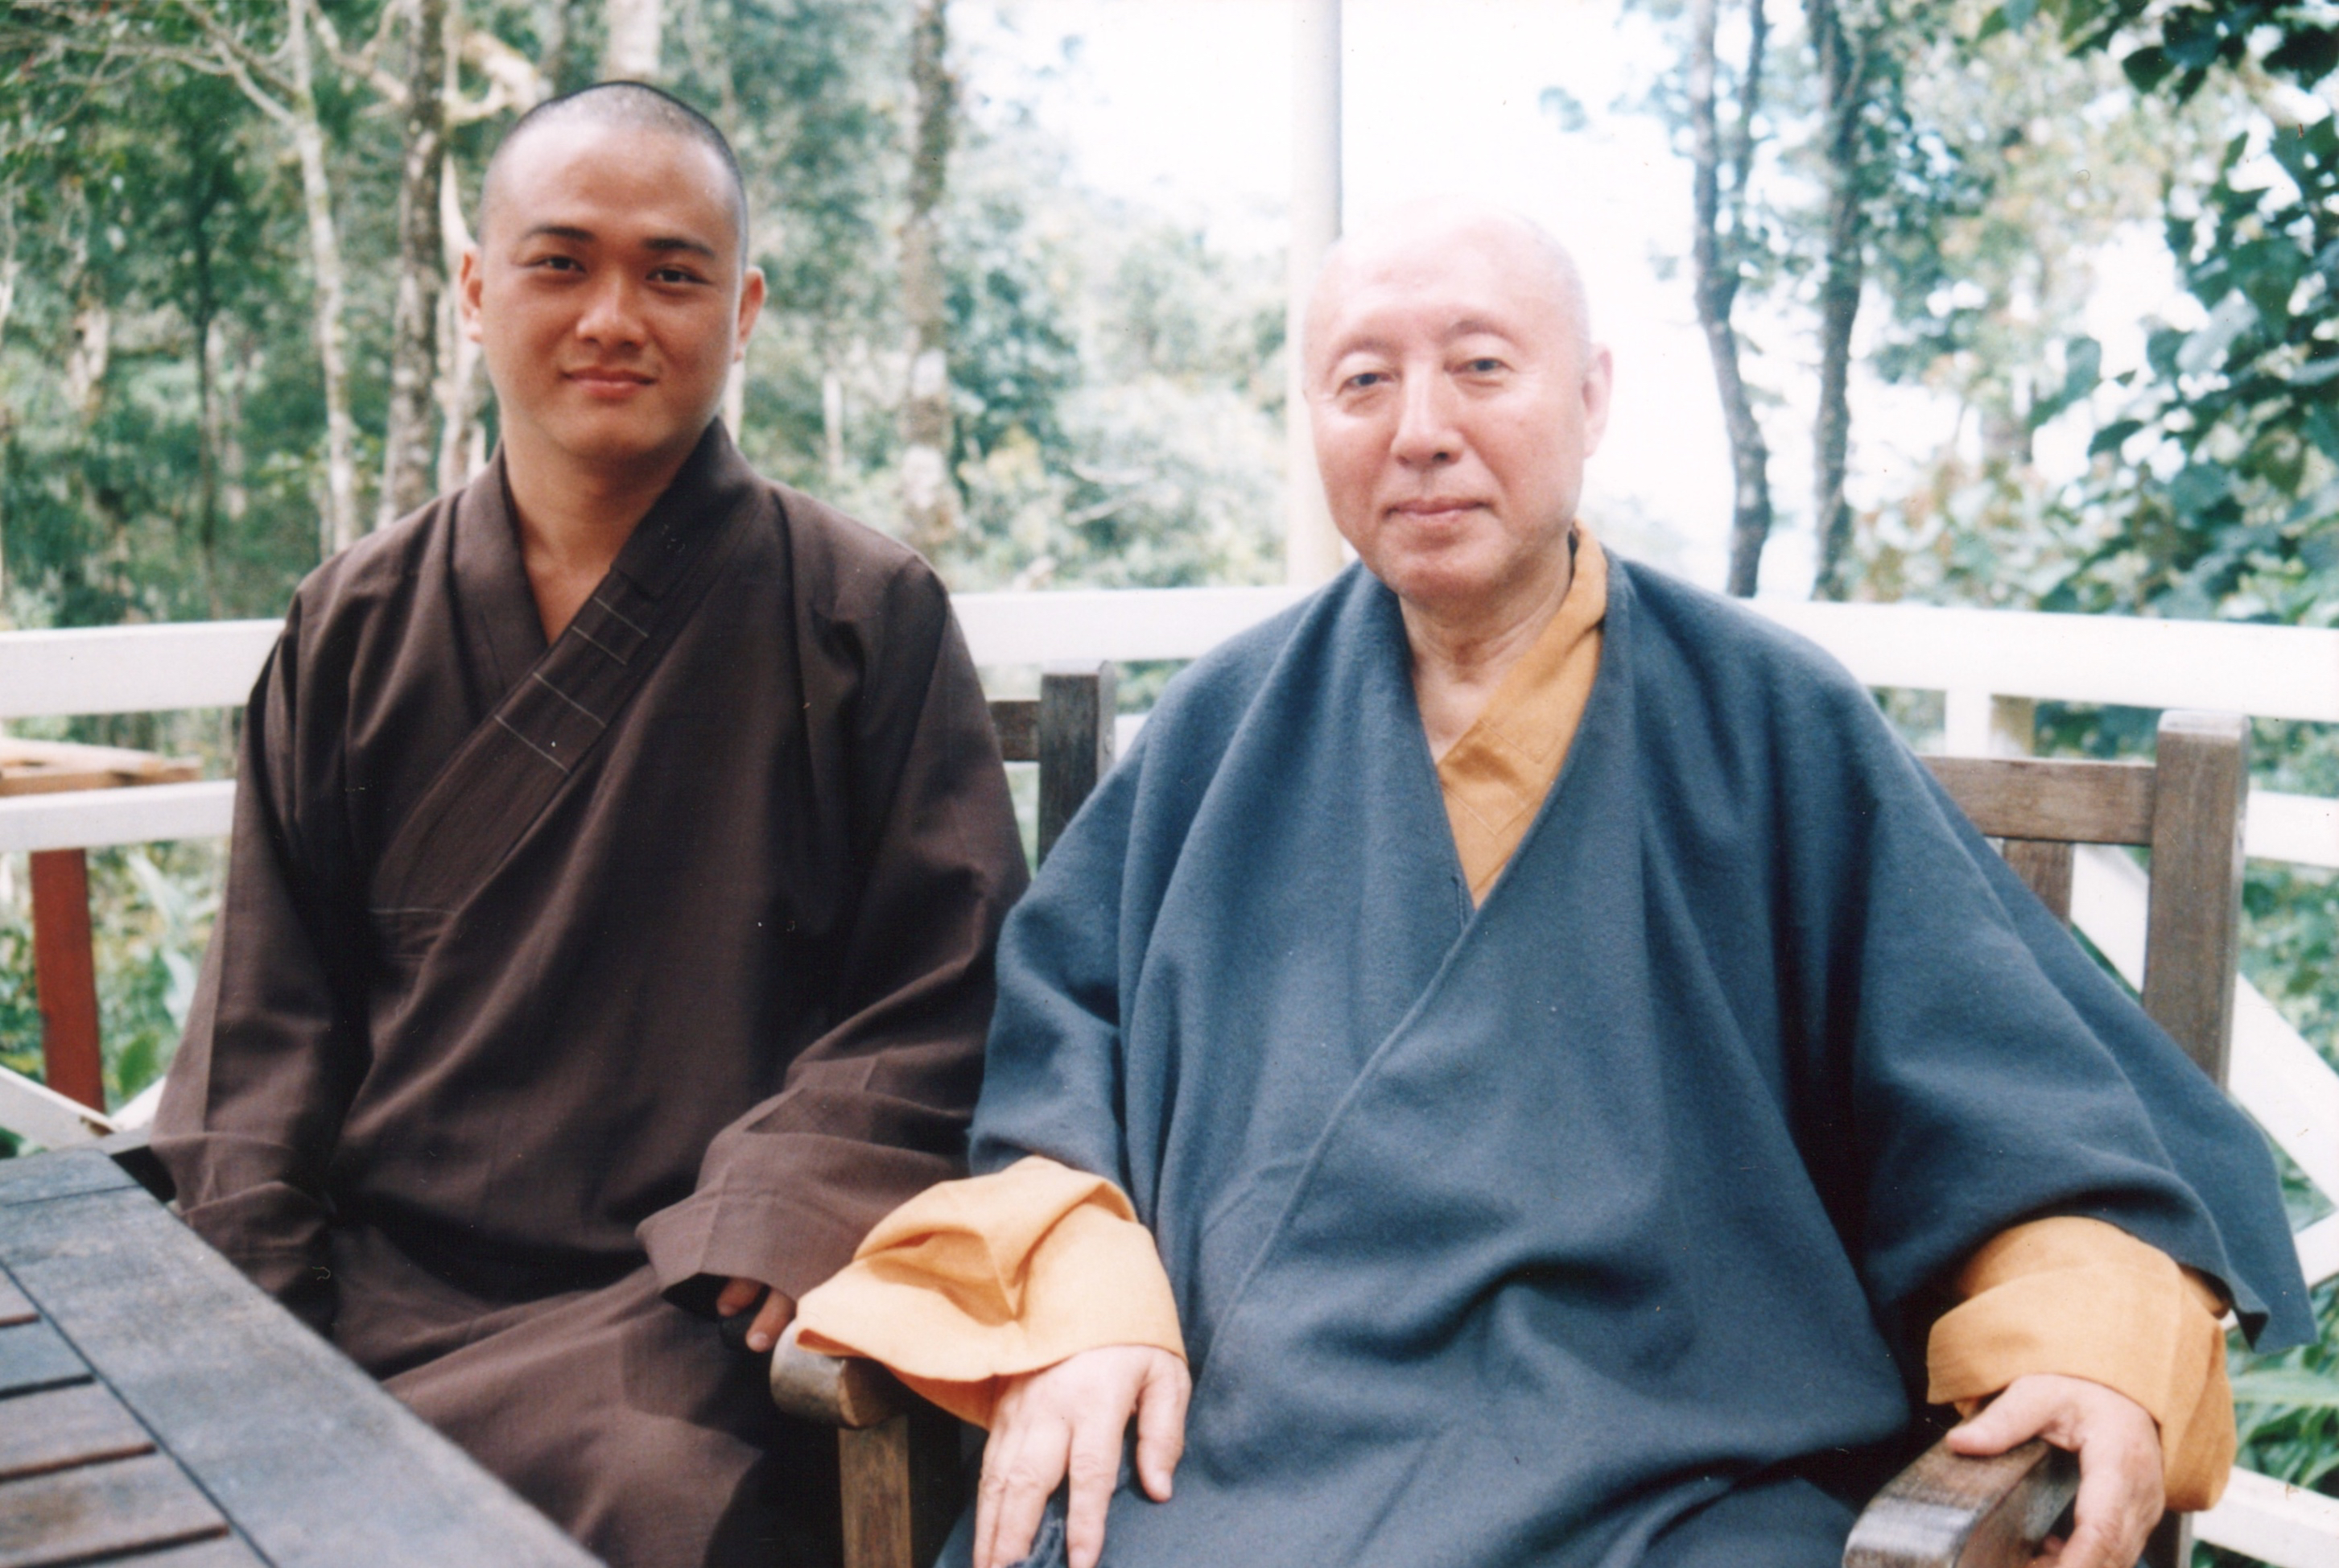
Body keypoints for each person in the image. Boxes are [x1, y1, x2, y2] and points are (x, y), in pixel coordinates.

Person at [787, 200, 2314, 1568]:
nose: (1420, 431)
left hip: (1683, 1466)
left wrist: (2084, 1327)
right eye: (1361, 382)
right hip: (1246, 1456)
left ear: (1590, 397)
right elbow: (1054, 1080)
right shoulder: (1219, 727)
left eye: (1480, 368)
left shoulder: (1769, 716)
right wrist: (1083, 1287)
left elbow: (2013, 1097)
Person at [153, 84, 1028, 1567]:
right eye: (560, 264)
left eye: (671, 274)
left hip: (681, 1309)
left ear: (742, 310)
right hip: (375, 1287)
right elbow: (261, 1024)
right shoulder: (353, 623)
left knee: (659, 1503)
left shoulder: (859, 613)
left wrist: (789, 1204)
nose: (612, 318)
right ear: (476, 292)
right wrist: (256, 1310)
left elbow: (946, 990)